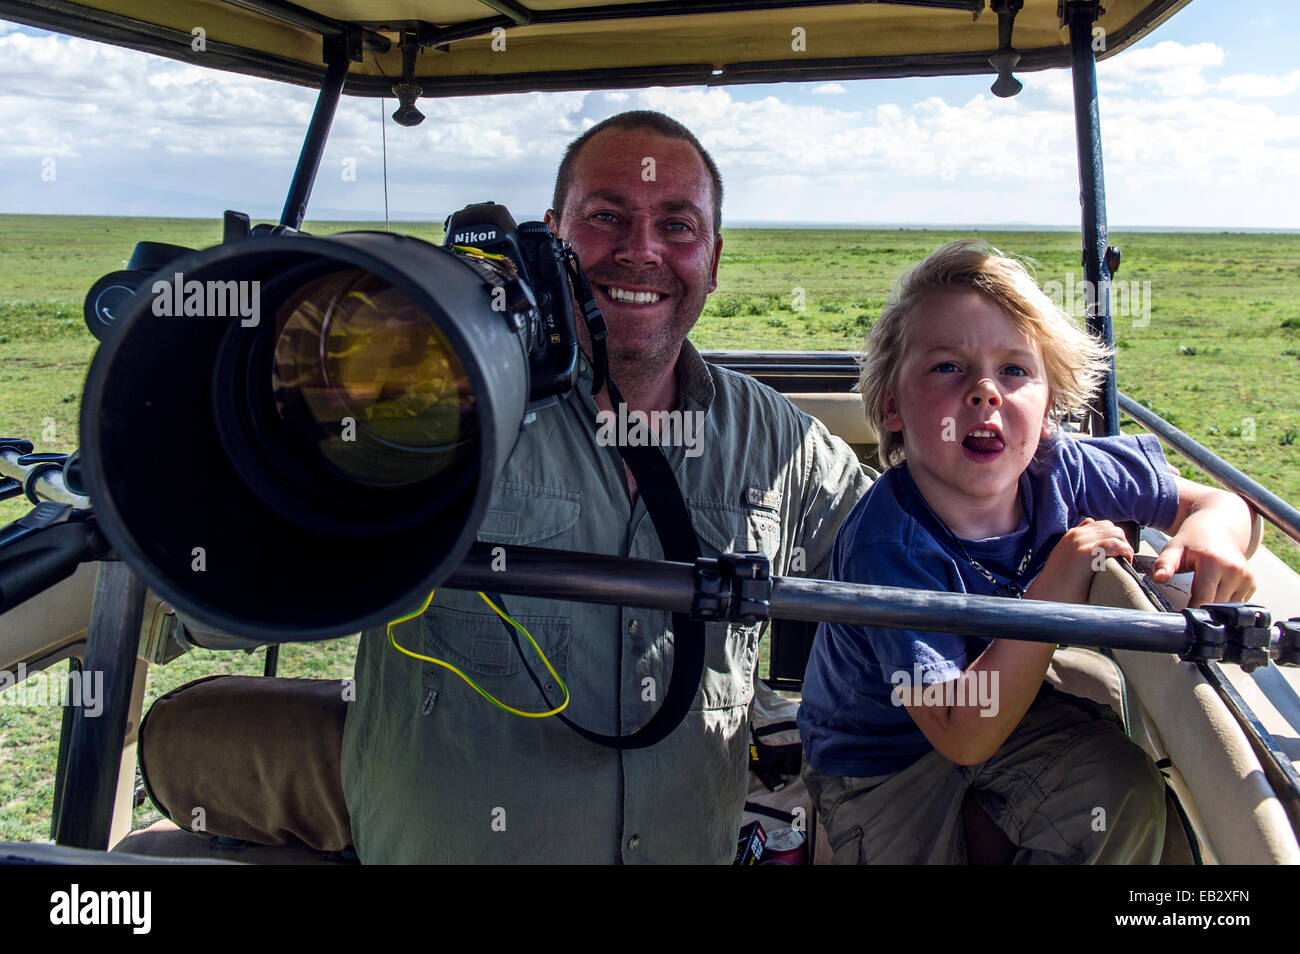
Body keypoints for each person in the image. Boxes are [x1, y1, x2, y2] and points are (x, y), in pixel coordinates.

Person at [340, 111, 874, 863]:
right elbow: (245, 588)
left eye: (678, 226)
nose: (641, 251)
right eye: (606, 217)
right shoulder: (434, 411)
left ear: (714, 261)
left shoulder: (780, 444)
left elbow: (903, 556)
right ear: (552, 238)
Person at [797, 239, 1256, 864]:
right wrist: (1056, 590)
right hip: (882, 760)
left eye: (1014, 370)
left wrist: (1213, 531)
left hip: (1013, 707)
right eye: (947, 367)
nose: (985, 392)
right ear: (892, 406)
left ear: (1046, 412)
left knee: (1123, 791)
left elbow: (1219, 504)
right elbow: (964, 731)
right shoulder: (889, 542)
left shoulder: (1059, 466)